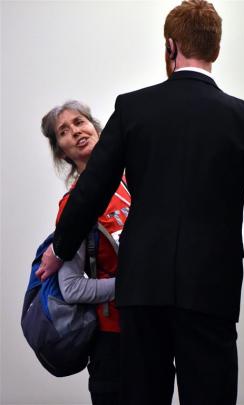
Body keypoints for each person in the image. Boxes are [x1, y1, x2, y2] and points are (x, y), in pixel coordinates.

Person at [37, 1, 244, 404]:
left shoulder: (133, 108)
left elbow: (92, 189)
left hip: (143, 289)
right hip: (211, 290)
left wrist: (59, 248)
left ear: (171, 46)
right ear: (215, 50)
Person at [39, 100, 131, 405]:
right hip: (113, 340)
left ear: (95, 128)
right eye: (64, 131)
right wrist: (132, 286)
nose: (76, 131)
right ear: (61, 151)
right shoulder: (72, 208)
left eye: (80, 122)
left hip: (154, 330)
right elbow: (71, 287)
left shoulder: (135, 184)